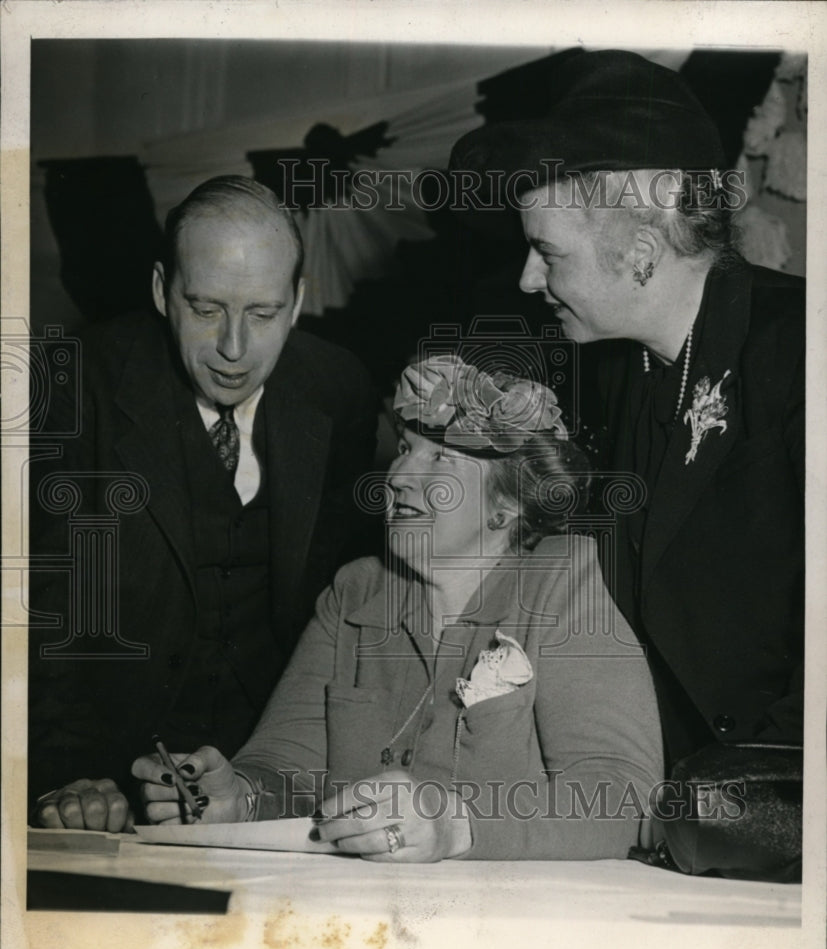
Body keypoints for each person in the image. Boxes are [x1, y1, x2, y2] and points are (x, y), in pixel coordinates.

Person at [128, 355, 663, 862]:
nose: (401, 476)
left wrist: (455, 826)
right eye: (405, 448)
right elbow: (287, 763)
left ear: (507, 505)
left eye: (440, 459)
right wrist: (239, 798)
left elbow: (622, 792)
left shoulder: (560, 583)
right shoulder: (356, 594)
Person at [450, 49, 804, 769]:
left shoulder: (799, 350)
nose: (526, 280)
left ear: (642, 250)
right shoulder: (617, 373)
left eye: (548, 254)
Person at [30, 175, 377, 830]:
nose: (234, 349)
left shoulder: (340, 388)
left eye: (263, 313)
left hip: (267, 781)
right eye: (207, 307)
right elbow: (40, 613)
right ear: (163, 291)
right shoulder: (74, 385)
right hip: (106, 776)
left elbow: (338, 614)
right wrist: (64, 776)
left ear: (299, 299)